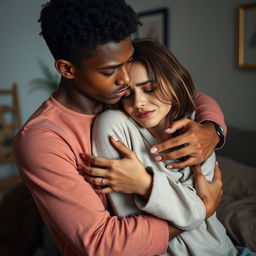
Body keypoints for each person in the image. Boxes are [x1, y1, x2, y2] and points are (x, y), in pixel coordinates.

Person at [13, 0, 225, 255]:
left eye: (128, 62)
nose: (125, 79)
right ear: (67, 69)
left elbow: (190, 96)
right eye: (111, 70)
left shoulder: (123, 97)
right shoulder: (42, 140)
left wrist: (213, 130)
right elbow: (102, 244)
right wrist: (200, 209)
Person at [89, 38, 236, 256]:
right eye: (127, 94)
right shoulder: (113, 126)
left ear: (172, 80)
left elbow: (198, 209)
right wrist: (199, 208)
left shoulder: (198, 130)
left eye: (149, 88)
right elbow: (137, 222)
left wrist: (144, 184)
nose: (138, 102)